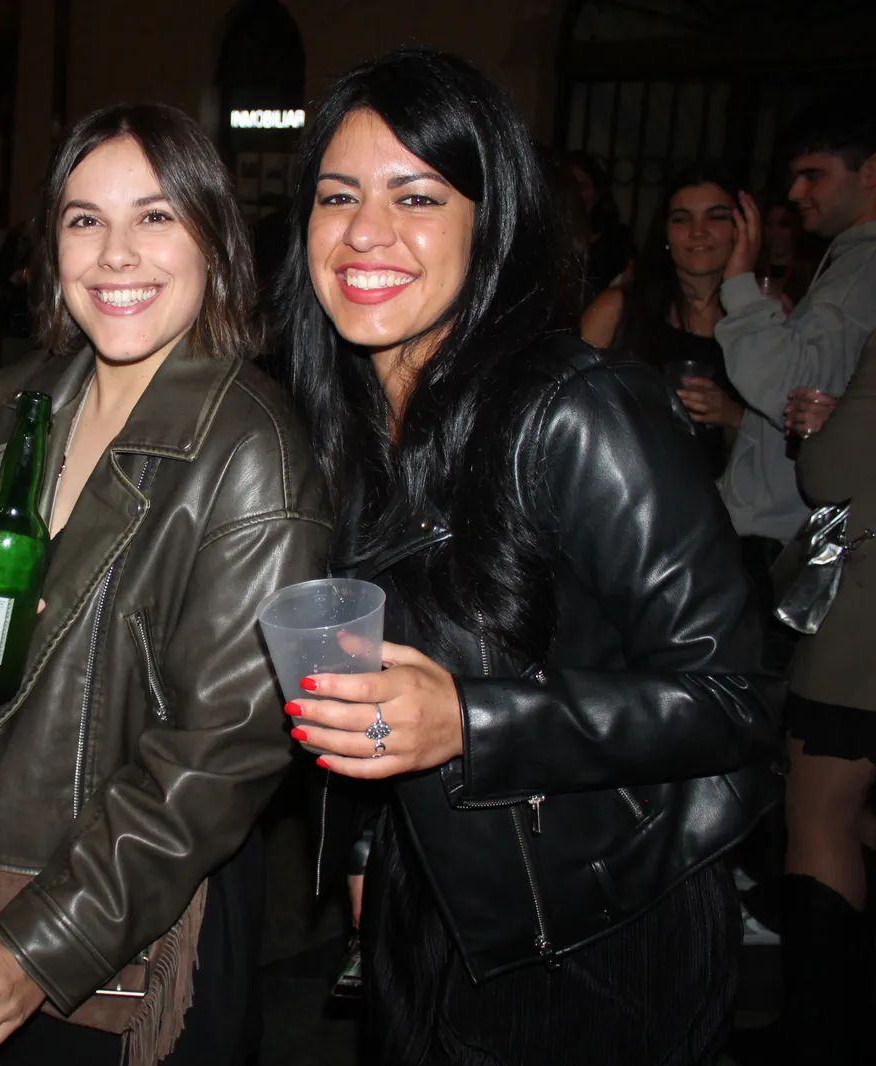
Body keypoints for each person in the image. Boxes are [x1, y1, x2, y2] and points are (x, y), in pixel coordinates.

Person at [277, 49, 777, 1065]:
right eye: (337, 195)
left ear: (489, 221)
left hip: (598, 933)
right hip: (432, 911)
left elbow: (736, 697)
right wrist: (369, 844)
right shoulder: (343, 426)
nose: (365, 231)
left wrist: (471, 721)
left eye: (417, 196)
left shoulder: (578, 410)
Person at [0, 103, 331, 1066]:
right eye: (85, 219)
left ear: (212, 239)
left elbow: (218, 759)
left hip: (119, 922)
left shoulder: (252, 449)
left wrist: (39, 948)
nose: (115, 254)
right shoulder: (19, 401)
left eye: (156, 216)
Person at [746, 331, 876, 1066]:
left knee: (821, 815)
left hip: (865, 638)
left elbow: (831, 473)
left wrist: (827, 431)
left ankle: (817, 1035)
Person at [715, 102, 876, 626]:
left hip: (785, 537)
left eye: (814, 175)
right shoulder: (849, 260)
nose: (795, 193)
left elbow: (796, 389)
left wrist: (739, 284)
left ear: (870, 173)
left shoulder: (864, 266)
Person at [580, 165, 746, 476]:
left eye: (716, 217)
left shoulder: (759, 323)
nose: (698, 231)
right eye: (681, 219)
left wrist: (733, 415)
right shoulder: (620, 308)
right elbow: (563, 403)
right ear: (666, 233)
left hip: (722, 496)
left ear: (742, 229)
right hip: (624, 486)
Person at [565, 150, 634, 300]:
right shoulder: (545, 241)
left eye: (582, 186)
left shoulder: (617, 242)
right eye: (569, 186)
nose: (575, 194)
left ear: (597, 193)